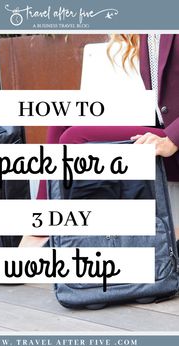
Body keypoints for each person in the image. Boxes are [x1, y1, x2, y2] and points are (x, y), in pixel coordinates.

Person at [21, 34, 179, 246]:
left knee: (74, 137)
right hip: (159, 125)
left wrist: (172, 139)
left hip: (172, 142)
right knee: (63, 116)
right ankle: (41, 226)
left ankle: (67, 234)